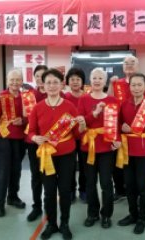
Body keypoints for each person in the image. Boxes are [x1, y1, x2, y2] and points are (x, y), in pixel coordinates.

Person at [28, 68, 84, 240]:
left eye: (55, 82)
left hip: (67, 154)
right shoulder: (37, 108)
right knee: (49, 191)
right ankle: (52, 224)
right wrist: (35, 137)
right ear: (43, 86)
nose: (52, 86)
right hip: (46, 156)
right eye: (48, 82)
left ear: (62, 84)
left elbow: (77, 136)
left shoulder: (70, 107)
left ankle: (65, 223)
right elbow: (30, 133)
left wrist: (81, 126)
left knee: (65, 190)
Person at [117, 73, 145, 234]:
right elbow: (118, 123)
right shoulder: (124, 104)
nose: (136, 88)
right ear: (129, 87)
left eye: (139, 85)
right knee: (129, 185)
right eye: (133, 85)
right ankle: (132, 214)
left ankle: (142, 218)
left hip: (143, 150)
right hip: (127, 150)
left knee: (142, 186)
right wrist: (122, 126)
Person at [78, 67, 121, 229]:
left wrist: (116, 140)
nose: (96, 81)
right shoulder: (83, 99)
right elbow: (81, 122)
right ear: (90, 80)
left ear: (105, 81)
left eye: (100, 78)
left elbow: (116, 124)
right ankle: (92, 212)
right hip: (88, 145)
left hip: (106, 148)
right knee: (90, 182)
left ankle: (106, 214)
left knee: (106, 183)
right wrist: (95, 113)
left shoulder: (113, 101)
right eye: (94, 78)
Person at [108, 56, 145, 202]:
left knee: (136, 171)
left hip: (137, 133)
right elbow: (109, 101)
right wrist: (110, 83)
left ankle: (136, 194)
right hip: (118, 128)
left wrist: (135, 127)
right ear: (122, 67)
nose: (128, 65)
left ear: (138, 66)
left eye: (132, 63)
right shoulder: (117, 83)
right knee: (118, 164)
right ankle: (120, 191)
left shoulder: (143, 83)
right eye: (125, 63)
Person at [0, 69, 27, 217]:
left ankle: (13, 197)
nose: (15, 83)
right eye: (12, 80)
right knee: (3, 171)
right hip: (1, 138)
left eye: (18, 79)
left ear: (22, 81)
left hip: (18, 138)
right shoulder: (0, 97)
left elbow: (31, 117)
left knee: (16, 169)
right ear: (7, 80)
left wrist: (23, 120)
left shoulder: (26, 97)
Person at [25, 64, 49, 222]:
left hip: (52, 143)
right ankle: (36, 206)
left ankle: (49, 206)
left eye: (43, 76)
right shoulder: (28, 96)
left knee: (49, 175)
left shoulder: (56, 94)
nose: (40, 79)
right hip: (33, 141)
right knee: (35, 176)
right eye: (38, 76)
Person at [64, 67, 87, 203]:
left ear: (82, 81)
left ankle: (84, 190)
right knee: (69, 166)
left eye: (78, 79)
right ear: (68, 81)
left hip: (85, 137)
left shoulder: (88, 96)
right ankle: (71, 190)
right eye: (72, 79)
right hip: (69, 137)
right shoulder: (64, 97)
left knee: (85, 166)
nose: (75, 82)